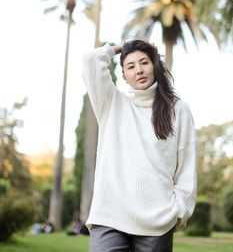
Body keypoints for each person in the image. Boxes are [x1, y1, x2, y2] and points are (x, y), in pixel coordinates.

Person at [82, 39, 197, 252]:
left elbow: (187, 167)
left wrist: (179, 211)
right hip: (109, 214)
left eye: (144, 62)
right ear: (124, 75)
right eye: (131, 66)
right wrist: (123, 47)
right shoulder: (111, 103)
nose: (139, 71)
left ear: (155, 65)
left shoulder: (179, 110)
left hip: (157, 220)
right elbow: (90, 60)